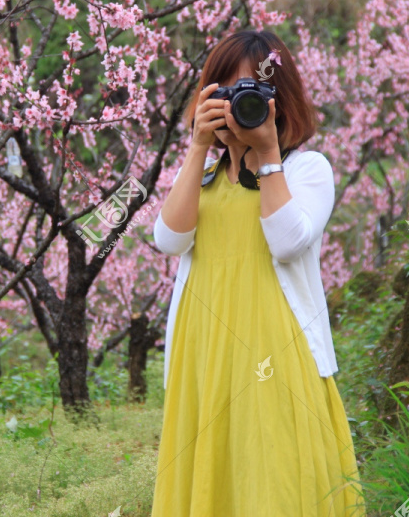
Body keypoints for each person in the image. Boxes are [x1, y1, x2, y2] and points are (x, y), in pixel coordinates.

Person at [150, 30, 365, 516]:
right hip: (205, 351)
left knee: (275, 478)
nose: (232, 107)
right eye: (221, 92)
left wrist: (267, 156)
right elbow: (168, 240)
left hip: (277, 349)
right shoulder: (202, 180)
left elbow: (288, 242)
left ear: (279, 100)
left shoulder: (307, 169)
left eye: (248, 92)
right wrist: (197, 148)